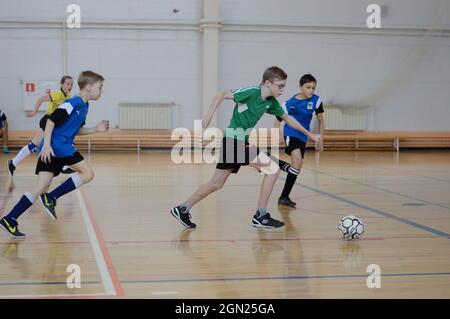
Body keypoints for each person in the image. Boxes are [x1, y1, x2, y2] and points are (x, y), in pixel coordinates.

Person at [170, 66, 320, 229]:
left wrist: (310, 135)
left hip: (240, 141)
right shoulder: (252, 92)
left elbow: (288, 119)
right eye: (280, 85)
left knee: (216, 184)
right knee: (272, 169)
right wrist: (208, 115)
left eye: (284, 86)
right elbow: (222, 94)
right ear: (268, 83)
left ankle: (182, 208)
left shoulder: (271, 103)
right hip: (233, 140)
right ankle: (260, 215)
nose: (282, 89)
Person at [0, 71, 109, 239]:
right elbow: (51, 120)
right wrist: (47, 145)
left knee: (41, 186)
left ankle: (10, 218)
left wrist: (95, 129)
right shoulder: (73, 102)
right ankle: (51, 197)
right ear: (88, 87)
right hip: (59, 147)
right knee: (88, 173)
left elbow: (75, 129)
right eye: (100, 87)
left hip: (54, 148)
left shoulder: (85, 106)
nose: (101, 91)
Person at [8, 76, 75, 177]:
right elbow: (40, 99)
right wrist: (34, 112)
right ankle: (13, 162)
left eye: (71, 84)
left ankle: (64, 166)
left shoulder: (69, 97)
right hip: (48, 121)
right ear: (61, 84)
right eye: (67, 84)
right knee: (34, 145)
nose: (70, 86)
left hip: (56, 124)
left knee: (59, 142)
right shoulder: (57, 94)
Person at [275, 74, 324, 207]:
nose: (311, 90)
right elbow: (277, 120)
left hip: (303, 136)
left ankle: (284, 196)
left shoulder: (316, 101)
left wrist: (321, 139)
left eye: (313, 88)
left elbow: (321, 120)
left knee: (297, 167)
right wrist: (278, 137)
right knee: (298, 162)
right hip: (291, 133)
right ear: (300, 87)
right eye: (308, 87)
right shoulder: (290, 103)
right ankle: (284, 196)